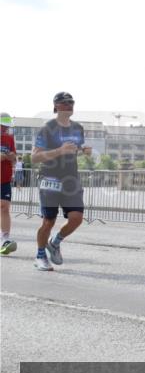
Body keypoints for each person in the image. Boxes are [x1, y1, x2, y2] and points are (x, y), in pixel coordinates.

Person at [31, 92, 91, 271]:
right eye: (64, 102)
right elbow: (34, 157)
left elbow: (74, 149)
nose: (69, 105)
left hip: (71, 179)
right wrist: (59, 151)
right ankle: (40, 256)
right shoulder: (47, 128)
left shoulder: (78, 128)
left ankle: (55, 242)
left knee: (77, 218)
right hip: (50, 177)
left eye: (71, 102)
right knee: (48, 221)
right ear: (56, 106)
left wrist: (83, 150)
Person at [1, 113, 17, 256]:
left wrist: (11, 157)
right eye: (2, 126)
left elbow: (14, 158)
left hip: (5, 179)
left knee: (4, 207)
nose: (4, 129)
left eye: (6, 127)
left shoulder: (9, 138)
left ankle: (4, 239)